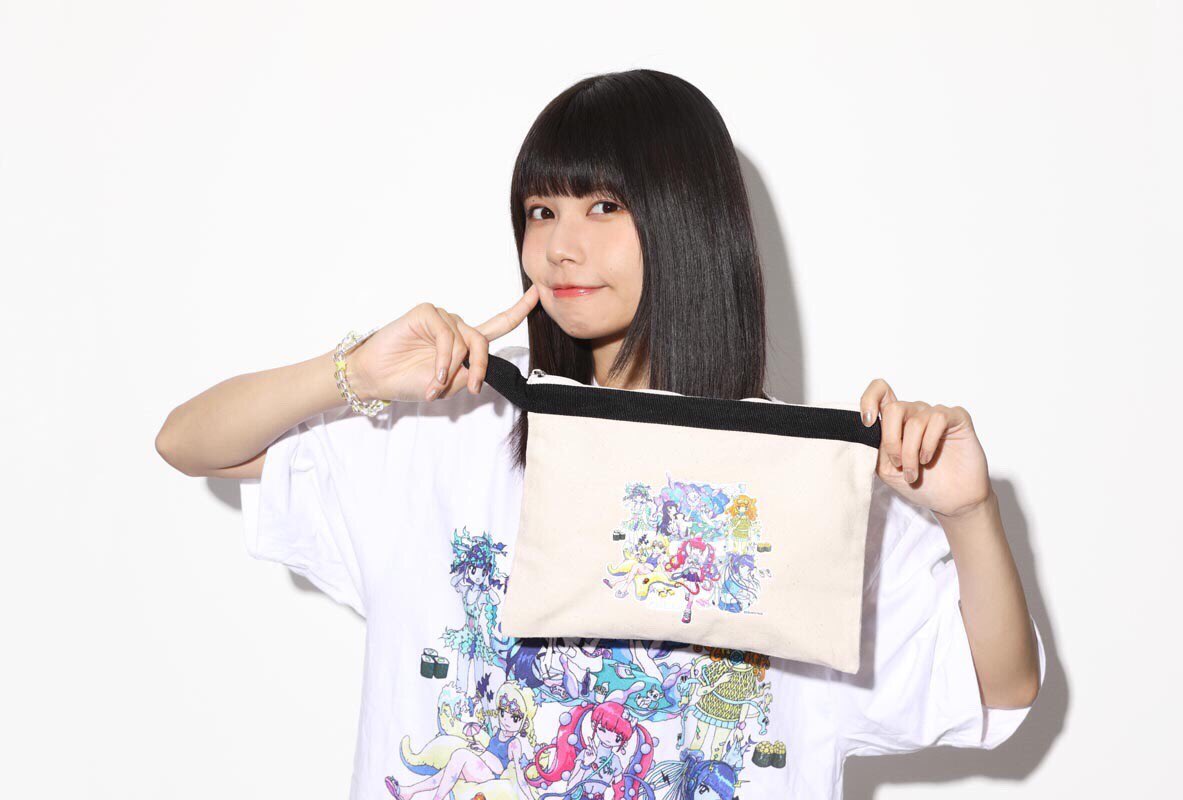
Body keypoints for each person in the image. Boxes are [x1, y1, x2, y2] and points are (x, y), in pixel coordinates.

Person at [155, 68, 1046, 800]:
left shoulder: (804, 479)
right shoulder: (456, 426)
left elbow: (999, 690)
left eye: (604, 207)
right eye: (541, 211)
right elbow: (191, 443)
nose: (559, 247)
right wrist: (355, 371)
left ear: (687, 220)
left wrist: (967, 513)